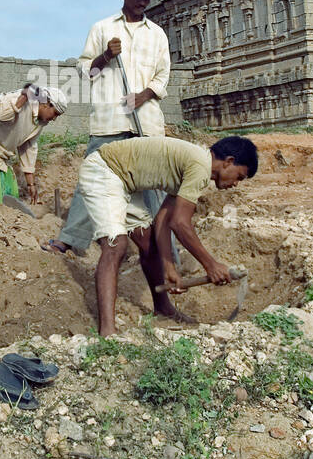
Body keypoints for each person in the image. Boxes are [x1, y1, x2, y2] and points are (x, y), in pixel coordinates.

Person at [77, 134, 258, 337]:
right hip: (104, 170)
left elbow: (163, 220)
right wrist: (211, 265)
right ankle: (108, 331)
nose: (236, 184)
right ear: (229, 162)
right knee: (115, 246)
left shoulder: (195, 165)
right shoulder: (199, 166)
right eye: (239, 177)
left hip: (123, 180)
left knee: (147, 241)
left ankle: (163, 308)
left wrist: (169, 269)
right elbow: (180, 224)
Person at [43, 0, 171, 255]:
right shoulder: (102, 29)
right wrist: (106, 56)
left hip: (146, 125)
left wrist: (143, 96)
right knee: (92, 181)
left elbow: (162, 77)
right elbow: (86, 71)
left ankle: (167, 253)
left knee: (154, 189)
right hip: (109, 123)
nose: (143, 1)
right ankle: (71, 239)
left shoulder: (158, 35)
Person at [0, 84, 65, 203]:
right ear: (46, 104)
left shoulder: (40, 121)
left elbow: (29, 146)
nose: (54, 118)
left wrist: (31, 184)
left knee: (10, 189)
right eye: (55, 113)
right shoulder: (17, 98)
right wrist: (23, 98)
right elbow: (1, 115)